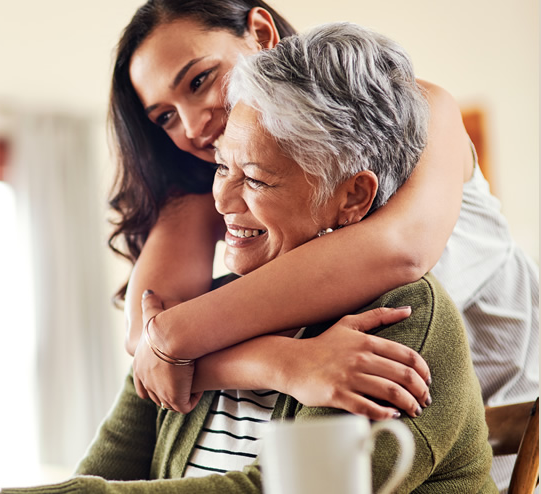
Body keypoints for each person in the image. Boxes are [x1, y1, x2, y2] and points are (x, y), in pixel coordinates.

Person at [0, 22, 495, 494]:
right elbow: (107, 464)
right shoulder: (215, 310)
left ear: (352, 197)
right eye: (221, 166)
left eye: (254, 178)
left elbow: (277, 493)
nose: (220, 199)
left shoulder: (400, 320)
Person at [112, 0, 536, 489]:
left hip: (510, 416)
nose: (191, 126)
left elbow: (398, 251)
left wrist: (175, 340)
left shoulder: (413, 112)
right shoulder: (211, 180)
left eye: (199, 81)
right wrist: (283, 364)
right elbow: (147, 339)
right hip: (377, 420)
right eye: (164, 117)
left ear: (260, 32)